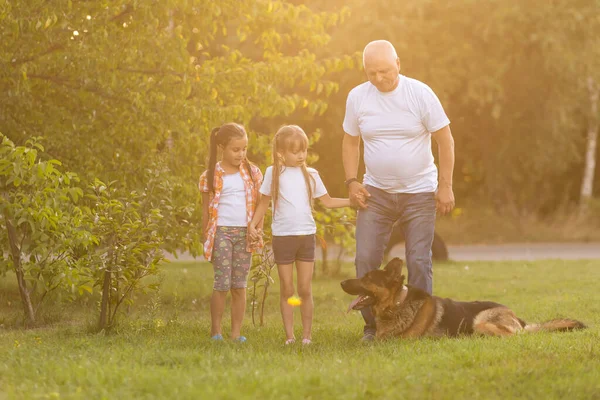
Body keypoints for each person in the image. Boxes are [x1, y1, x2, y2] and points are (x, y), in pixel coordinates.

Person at [342, 40, 455, 341]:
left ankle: (422, 327)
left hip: (419, 193)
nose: (379, 78)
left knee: (418, 259)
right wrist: (352, 182)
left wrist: (445, 186)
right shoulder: (357, 98)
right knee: (365, 259)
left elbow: (445, 140)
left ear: (398, 64)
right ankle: (372, 326)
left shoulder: (419, 94)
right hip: (375, 193)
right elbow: (351, 141)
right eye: (371, 73)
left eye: (385, 71)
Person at [249, 125, 351, 345]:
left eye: (303, 150)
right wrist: (253, 225)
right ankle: (290, 336)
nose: (301, 155)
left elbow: (328, 201)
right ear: (281, 153)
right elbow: (263, 203)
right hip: (283, 237)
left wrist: (353, 202)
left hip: (306, 236)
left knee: (304, 288)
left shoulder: (311, 174)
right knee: (288, 288)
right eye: (295, 151)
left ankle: (307, 336)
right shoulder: (272, 173)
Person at [199, 123, 263, 343]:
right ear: (222, 147)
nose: (241, 154)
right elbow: (205, 210)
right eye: (236, 150)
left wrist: (258, 229)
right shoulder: (210, 175)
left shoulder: (253, 173)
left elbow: (260, 204)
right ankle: (216, 332)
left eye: (244, 149)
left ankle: (236, 333)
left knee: (239, 285)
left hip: (245, 234)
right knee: (222, 284)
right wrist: (205, 237)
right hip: (222, 234)